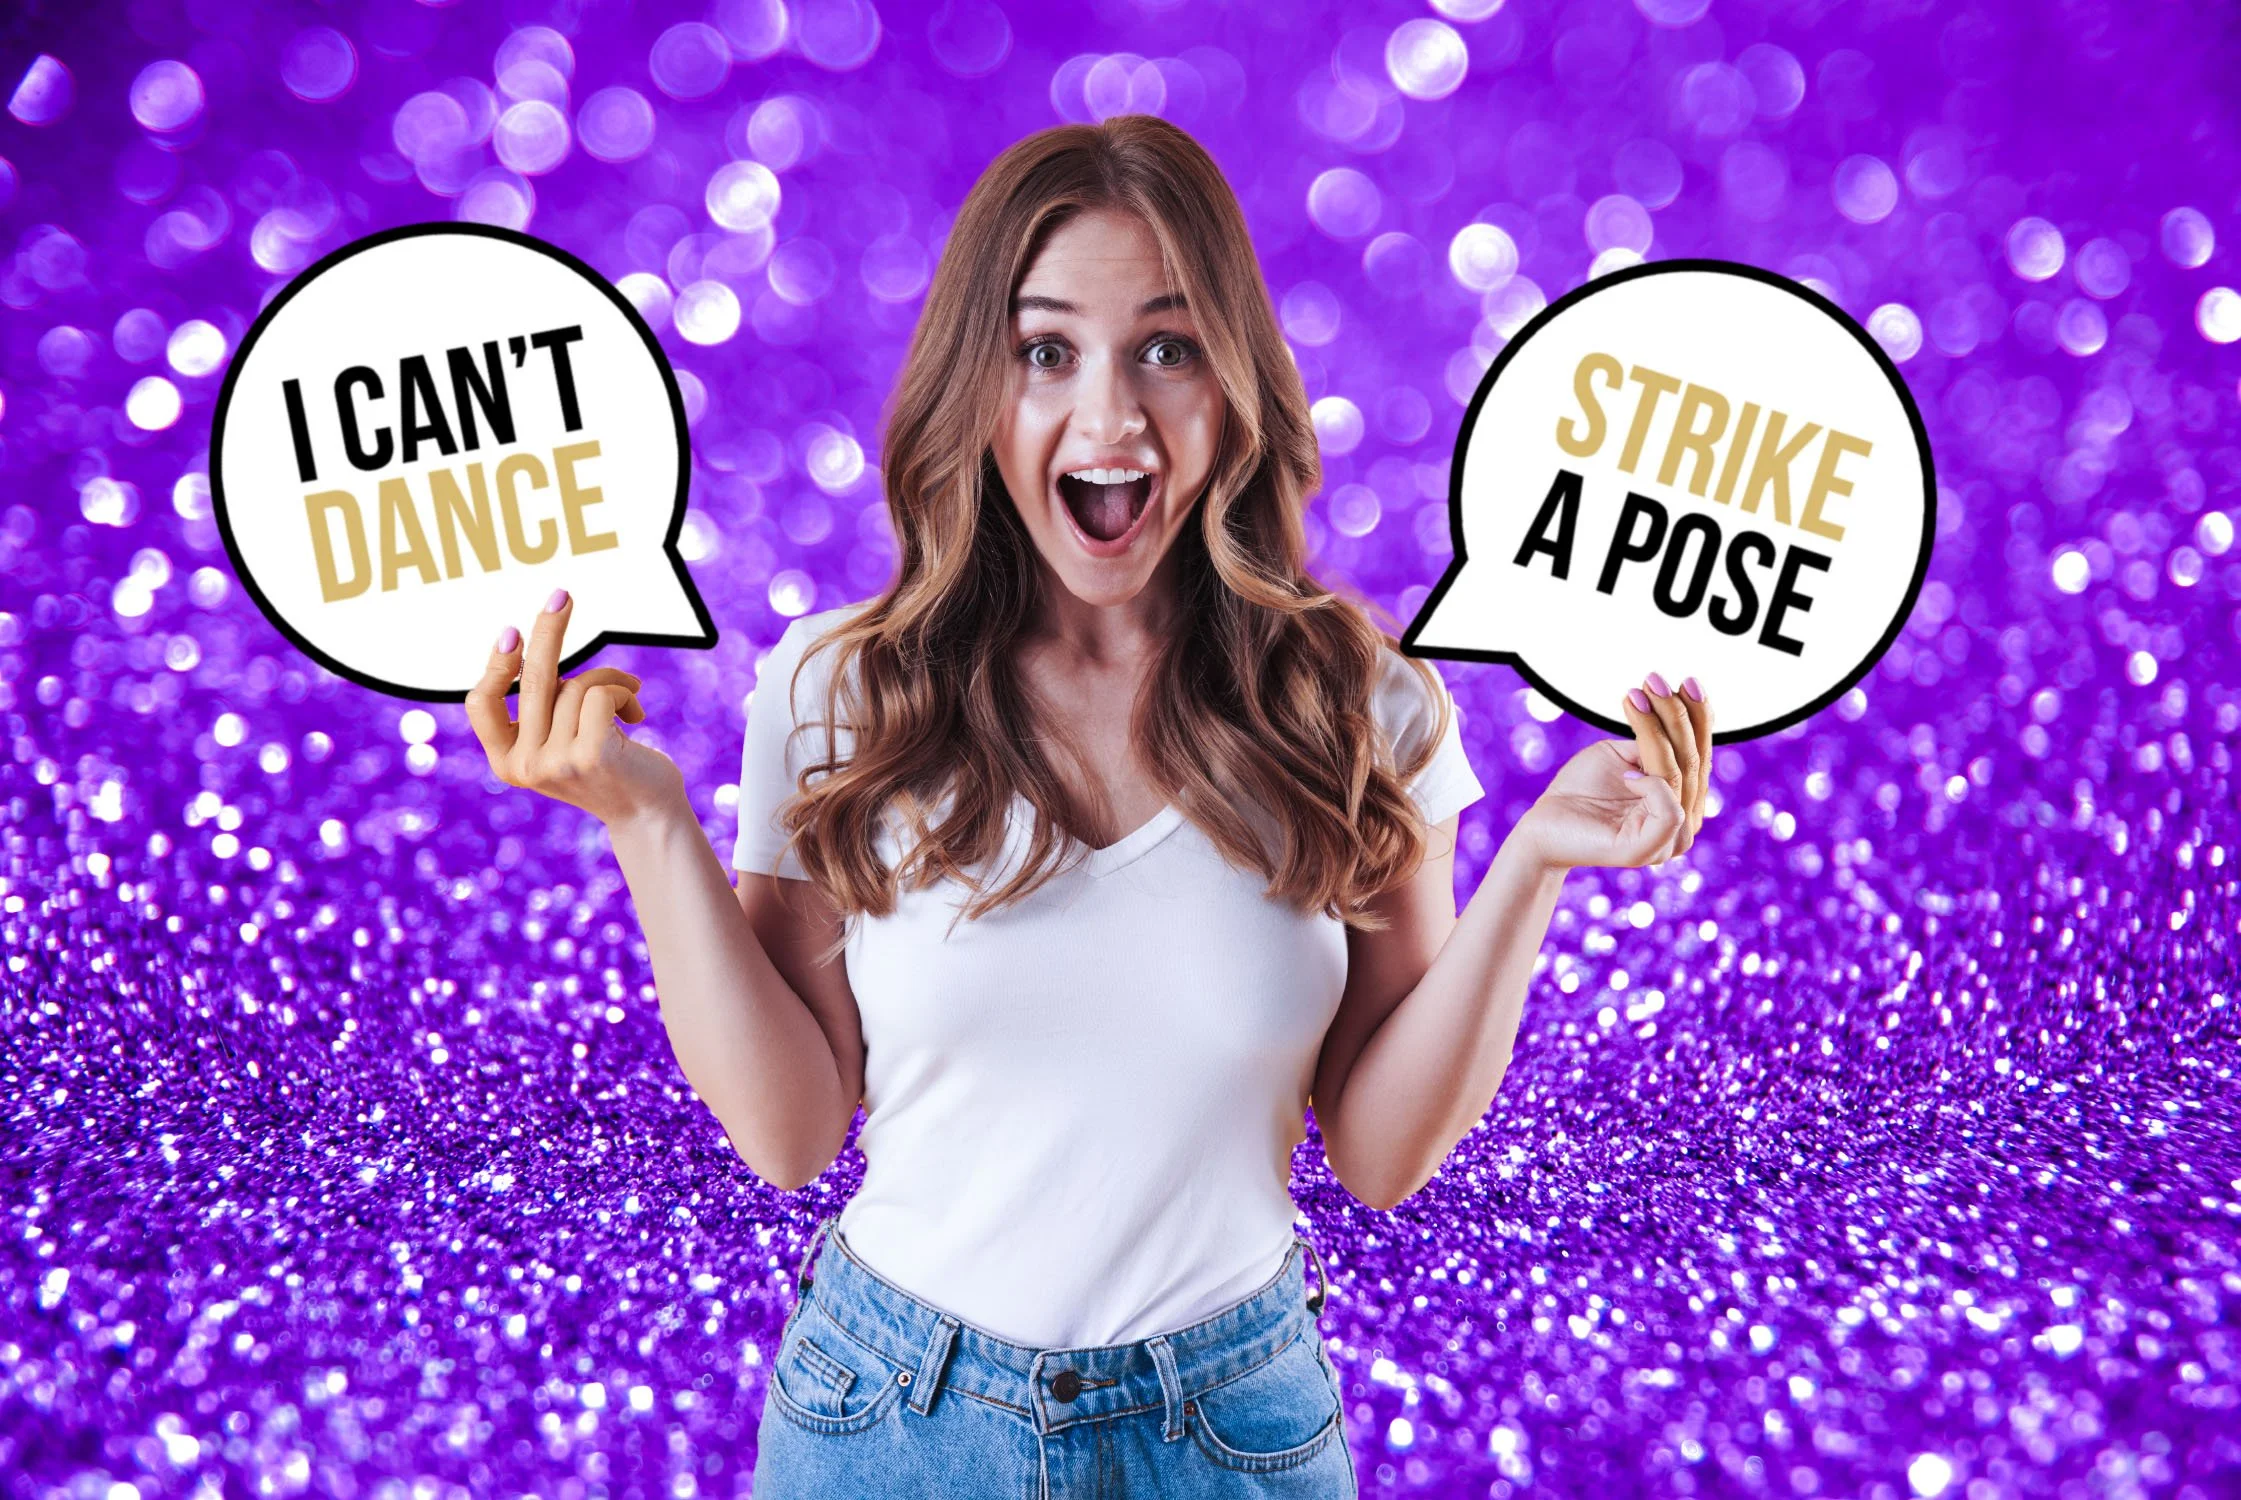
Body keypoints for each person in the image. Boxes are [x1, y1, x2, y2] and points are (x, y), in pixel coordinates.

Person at [466, 115, 1713, 1499]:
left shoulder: (1362, 706)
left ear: (1234, 385)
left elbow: (1377, 1153)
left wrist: (1536, 865)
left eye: (1167, 349)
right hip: (888, 1419)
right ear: (975, 385)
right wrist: (647, 824)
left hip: (1231, 1433)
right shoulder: (842, 690)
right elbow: (792, 1128)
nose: (1112, 419)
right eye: (1046, 352)